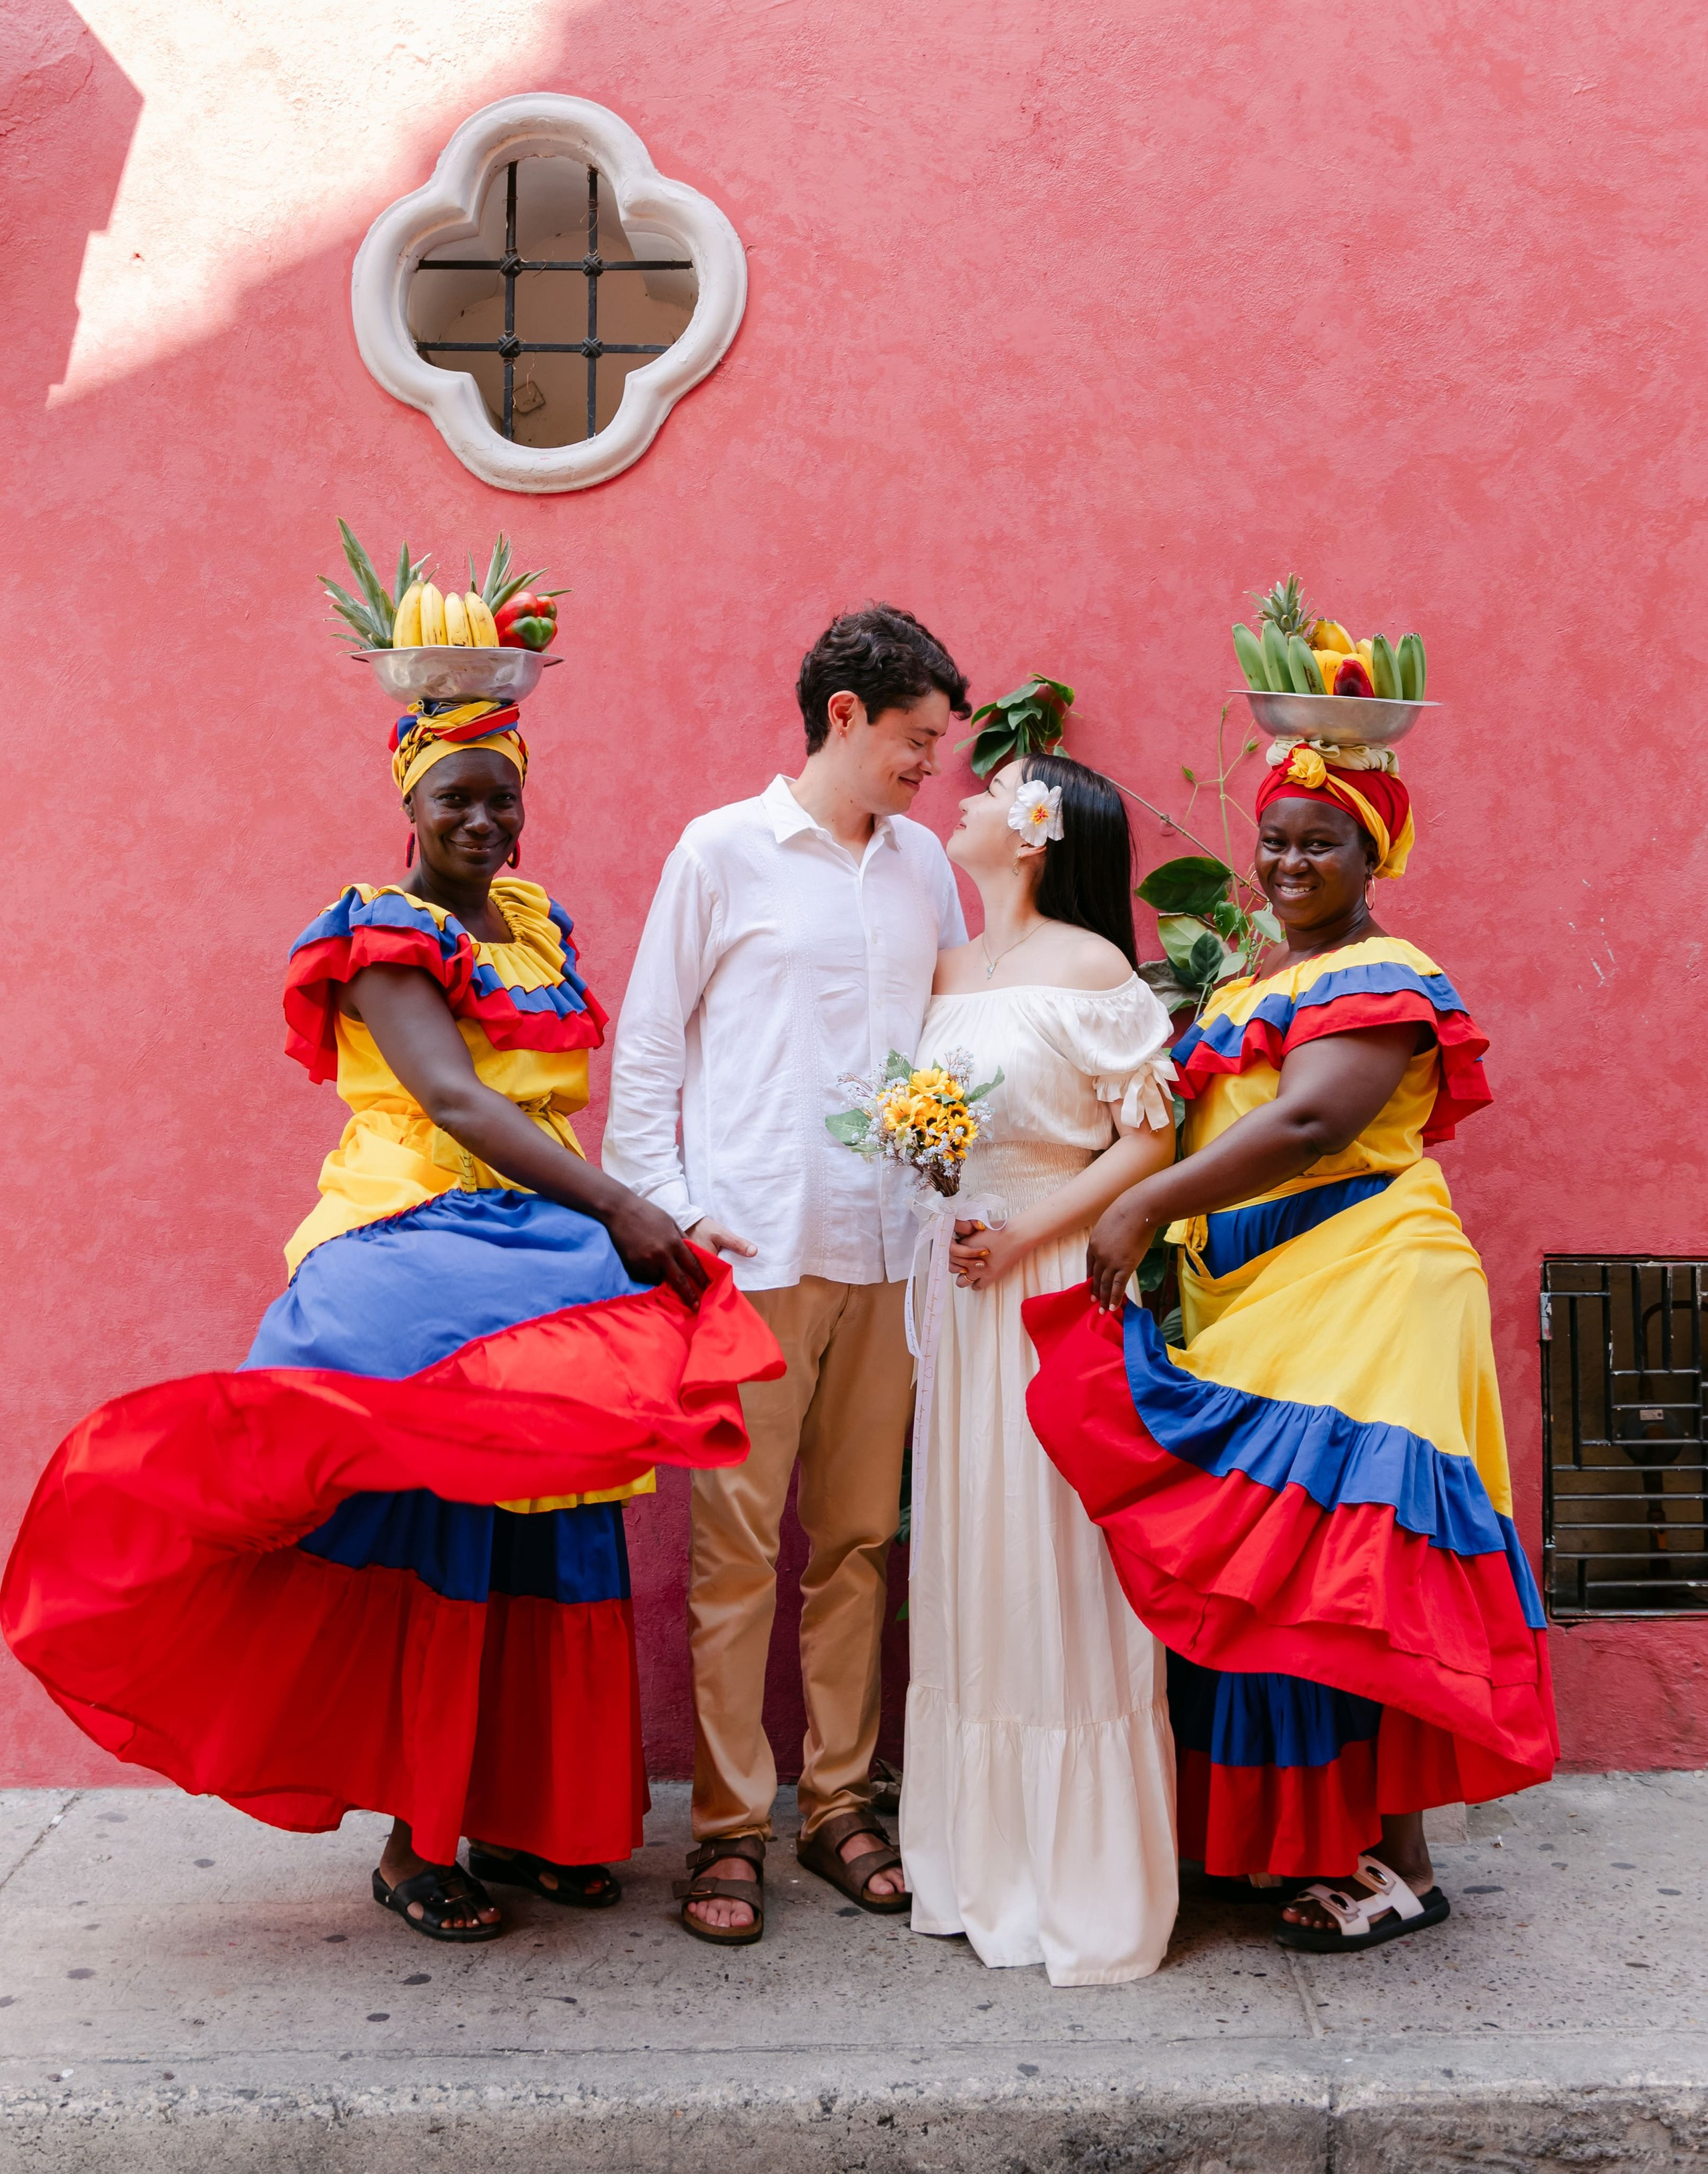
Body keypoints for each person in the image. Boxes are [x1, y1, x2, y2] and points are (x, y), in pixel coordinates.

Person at [1, 693, 781, 1944]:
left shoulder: (534, 926)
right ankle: (416, 1840)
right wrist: (633, 1211)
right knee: (446, 1531)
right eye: (454, 796)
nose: (481, 817)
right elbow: (460, 1103)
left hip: (549, 1244)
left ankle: (531, 1818)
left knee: (558, 1527)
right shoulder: (378, 934)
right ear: (408, 805)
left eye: (501, 794)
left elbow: (539, 1105)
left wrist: (614, 1223)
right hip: (418, 1239)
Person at [1024, 740, 1557, 1956]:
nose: (1290, 859)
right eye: (1278, 837)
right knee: (1278, 1580)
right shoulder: (1249, 985)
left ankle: (1402, 1865)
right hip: (1263, 1303)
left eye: (1322, 840)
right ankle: (1305, 1841)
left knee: (1356, 1580)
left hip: (1371, 1290)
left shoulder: (1384, 972)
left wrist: (1142, 1206)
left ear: (1375, 854)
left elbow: (1314, 1120)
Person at [604, 605, 970, 1944]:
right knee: (735, 1553)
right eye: (915, 741)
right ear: (842, 718)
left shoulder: (925, 863)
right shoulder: (721, 852)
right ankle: (724, 1826)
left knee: (861, 1540)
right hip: (752, 1250)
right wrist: (675, 1215)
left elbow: (952, 1044)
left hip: (888, 1249)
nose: (930, 765)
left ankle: (835, 1801)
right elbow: (648, 1047)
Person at [900, 754, 1182, 1984]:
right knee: (970, 1564)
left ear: (1034, 830)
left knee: (1055, 1563)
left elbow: (1152, 1133)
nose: (956, 796)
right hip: (958, 1297)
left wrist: (1025, 1229)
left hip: (1050, 1286)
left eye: (989, 789)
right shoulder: (948, 968)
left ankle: (1081, 1878)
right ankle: (979, 1858)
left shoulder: (1092, 965)